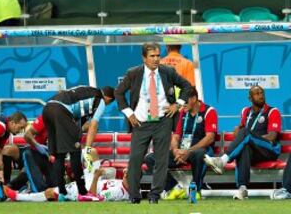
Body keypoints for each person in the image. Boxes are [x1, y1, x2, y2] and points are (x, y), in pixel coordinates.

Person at [115, 42, 192, 204]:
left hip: (163, 122)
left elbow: (186, 86)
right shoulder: (133, 73)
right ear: (144, 58)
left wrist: (177, 104)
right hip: (140, 124)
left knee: (161, 160)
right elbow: (118, 93)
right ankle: (134, 196)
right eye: (152, 56)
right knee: (135, 160)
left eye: (158, 55)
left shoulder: (168, 71)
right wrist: (129, 113)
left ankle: (154, 196)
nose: (156, 59)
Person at [204, 85, 281, 200]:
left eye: (262, 93)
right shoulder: (245, 111)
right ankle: (242, 189)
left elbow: (272, 136)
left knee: (246, 134)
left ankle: (222, 160)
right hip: (255, 150)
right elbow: (240, 135)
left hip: (269, 149)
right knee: (244, 148)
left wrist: (249, 135)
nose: (261, 96)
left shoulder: (272, 111)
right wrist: (238, 132)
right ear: (250, 98)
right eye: (257, 93)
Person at [43, 86, 115, 201]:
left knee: (59, 155)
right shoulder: (100, 100)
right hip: (61, 110)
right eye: (108, 103)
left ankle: (62, 193)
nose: (106, 105)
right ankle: (83, 192)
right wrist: (88, 148)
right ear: (108, 99)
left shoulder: (86, 90)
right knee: (75, 151)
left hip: (47, 108)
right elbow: (93, 124)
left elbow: (78, 124)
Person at [145, 87, 217, 200]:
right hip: (182, 151)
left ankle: (196, 189)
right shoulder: (183, 113)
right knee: (150, 158)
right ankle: (174, 187)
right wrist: (175, 151)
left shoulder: (209, 111)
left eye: (185, 101)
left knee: (199, 155)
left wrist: (189, 151)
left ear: (193, 99)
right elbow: (176, 136)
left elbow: (210, 138)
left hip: (201, 150)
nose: (182, 105)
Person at [3, 147, 130, 202]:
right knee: (91, 151)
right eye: (127, 171)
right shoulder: (124, 184)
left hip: (86, 191)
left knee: (49, 193)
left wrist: (96, 176)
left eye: (127, 172)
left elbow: (93, 197)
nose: (124, 172)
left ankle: (17, 196)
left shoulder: (118, 192)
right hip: (89, 180)